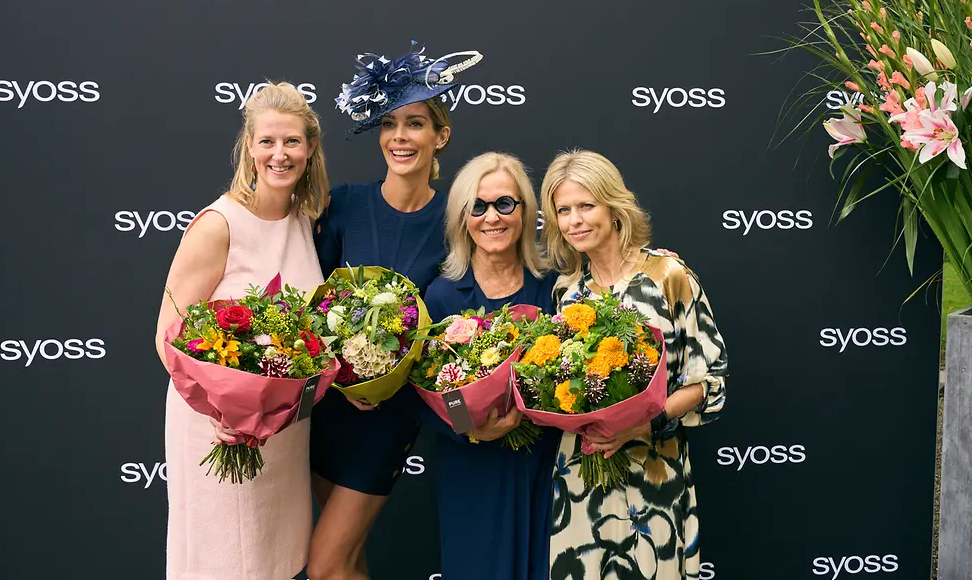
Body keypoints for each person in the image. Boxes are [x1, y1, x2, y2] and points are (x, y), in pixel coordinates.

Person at [307, 43, 483, 580]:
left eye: (415, 124)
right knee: (347, 561)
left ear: (440, 136)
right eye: (390, 124)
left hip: (390, 418)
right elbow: (311, 308)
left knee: (325, 566)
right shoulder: (343, 205)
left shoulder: (459, 219)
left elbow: (463, 318)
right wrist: (339, 377)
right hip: (327, 410)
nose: (400, 137)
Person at [156, 82, 330, 580]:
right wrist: (222, 414)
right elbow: (168, 336)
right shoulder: (219, 224)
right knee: (224, 561)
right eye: (268, 141)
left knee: (271, 559)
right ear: (249, 146)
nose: (281, 154)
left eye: (293, 142)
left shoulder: (304, 219)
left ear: (310, 147)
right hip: (217, 431)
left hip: (283, 434)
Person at [540, 150, 728, 580]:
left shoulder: (667, 275)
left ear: (614, 206)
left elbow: (709, 381)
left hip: (653, 472)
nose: (575, 221)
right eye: (563, 210)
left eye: (586, 206)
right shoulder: (566, 292)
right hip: (579, 477)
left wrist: (641, 425)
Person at [422, 152, 562, 580]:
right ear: (463, 218)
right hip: (475, 470)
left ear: (525, 211)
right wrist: (471, 427)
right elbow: (426, 394)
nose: (492, 218)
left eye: (504, 203)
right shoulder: (443, 297)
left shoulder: (554, 288)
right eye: (478, 207)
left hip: (545, 466)